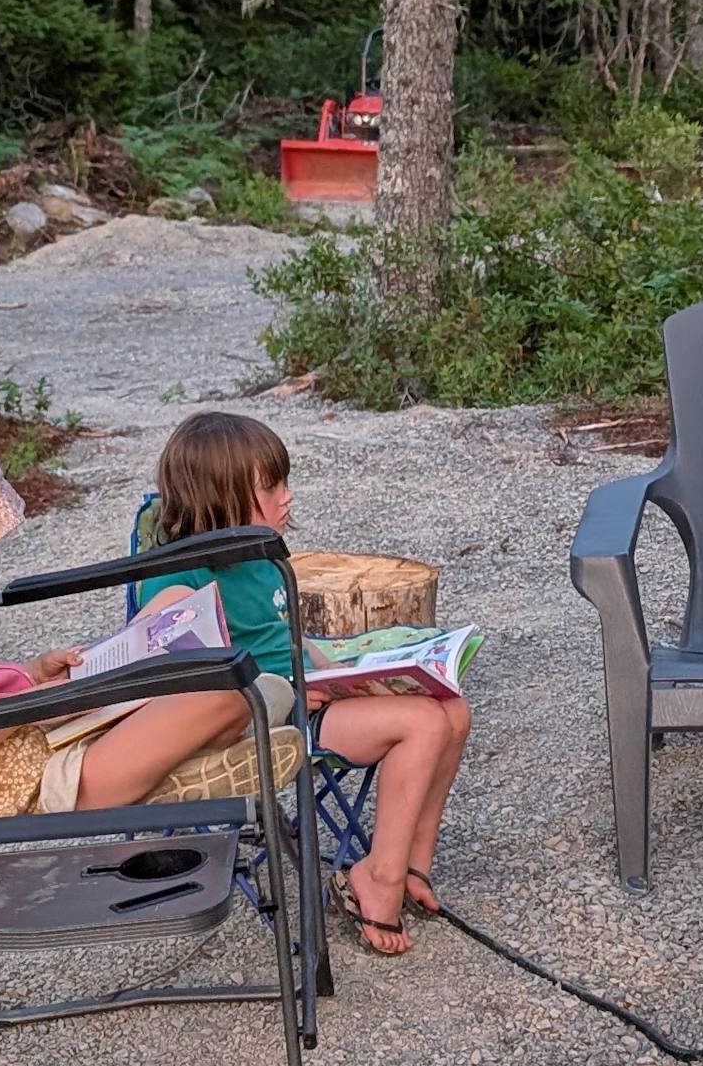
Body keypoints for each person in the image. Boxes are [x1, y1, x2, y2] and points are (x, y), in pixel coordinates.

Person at [0, 401, 277, 827]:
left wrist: (30, 675)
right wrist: (27, 704)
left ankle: (180, 761)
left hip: (37, 742)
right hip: (30, 782)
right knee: (226, 691)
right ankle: (177, 774)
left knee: (176, 611)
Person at [133, 409, 472, 961]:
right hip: (267, 721)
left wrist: (359, 673)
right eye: (272, 486)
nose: (288, 497)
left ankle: (411, 864)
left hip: (309, 696)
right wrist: (281, 687)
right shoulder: (179, 575)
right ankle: (376, 880)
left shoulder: (263, 556)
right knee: (423, 724)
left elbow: (284, 637)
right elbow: (173, 675)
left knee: (452, 710)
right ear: (219, 497)